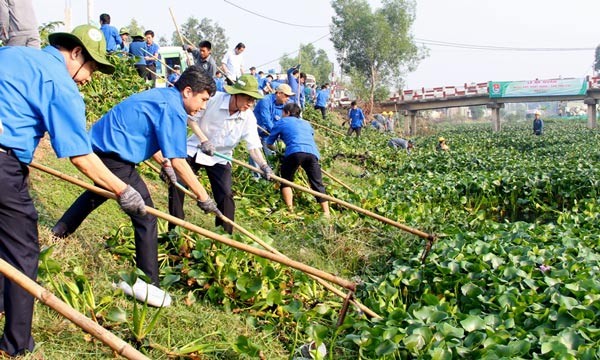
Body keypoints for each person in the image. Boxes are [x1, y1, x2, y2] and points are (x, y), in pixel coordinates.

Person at [0, 24, 147, 357]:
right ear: (76, 53)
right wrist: (124, 190)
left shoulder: (12, 53)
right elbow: (80, 156)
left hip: (7, 159)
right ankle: (16, 345)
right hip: (3, 165)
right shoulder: (59, 83)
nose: (89, 77)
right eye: (91, 68)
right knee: (23, 253)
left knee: (4, 241)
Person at [52, 66, 220, 304]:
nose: (203, 106)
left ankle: (57, 234)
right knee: (146, 216)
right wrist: (203, 197)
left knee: (94, 195)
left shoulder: (163, 98)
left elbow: (149, 137)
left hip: (102, 147)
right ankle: (148, 283)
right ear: (188, 91)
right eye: (202, 99)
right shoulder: (173, 109)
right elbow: (179, 161)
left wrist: (165, 165)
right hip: (114, 156)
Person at [168, 74, 273, 234]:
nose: (250, 104)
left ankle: (225, 237)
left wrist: (264, 166)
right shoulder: (213, 100)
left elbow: (253, 147)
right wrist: (204, 140)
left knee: (226, 197)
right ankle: (175, 230)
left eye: (253, 101)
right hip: (195, 148)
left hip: (220, 157)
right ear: (236, 94)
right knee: (177, 184)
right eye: (248, 99)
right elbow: (191, 118)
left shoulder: (248, 117)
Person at [266, 103, 330, 216]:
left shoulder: (282, 121)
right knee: (317, 183)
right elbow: (308, 135)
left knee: (286, 180)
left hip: (294, 152)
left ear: (287, 113)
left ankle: (290, 210)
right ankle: (327, 213)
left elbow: (269, 143)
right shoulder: (306, 123)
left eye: (283, 113)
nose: (282, 115)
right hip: (312, 153)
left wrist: (279, 151)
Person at [252, 83, 294, 176]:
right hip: (257, 130)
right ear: (279, 93)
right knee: (255, 155)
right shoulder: (265, 100)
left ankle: (270, 176)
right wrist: (275, 132)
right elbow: (265, 119)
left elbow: (284, 122)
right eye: (286, 95)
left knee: (271, 156)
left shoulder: (286, 105)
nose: (288, 98)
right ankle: (256, 178)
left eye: (289, 96)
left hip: (269, 134)